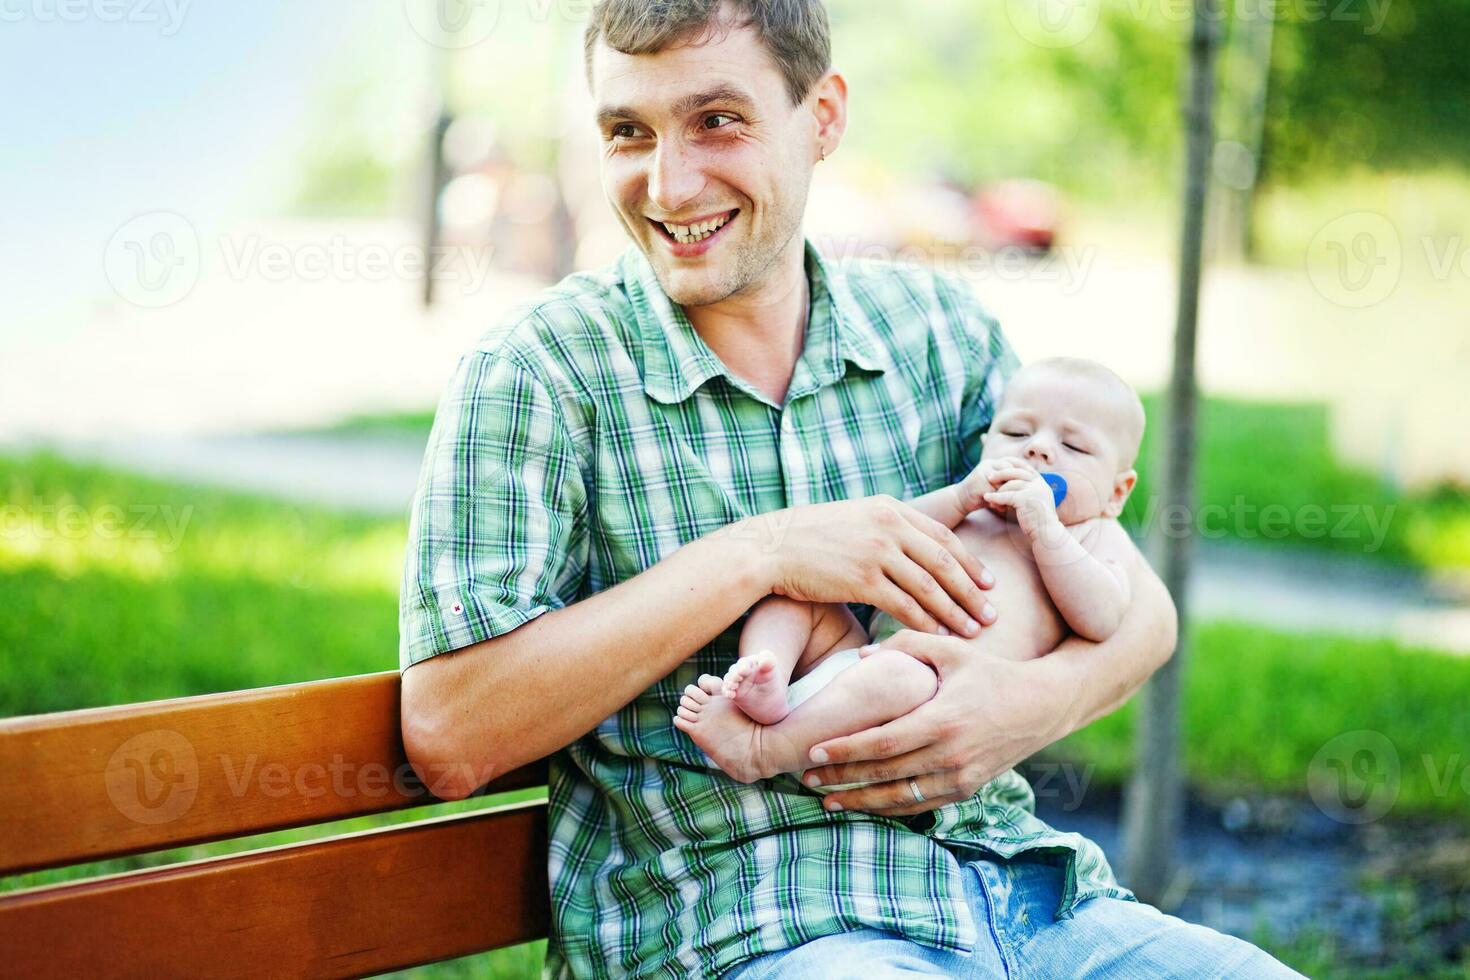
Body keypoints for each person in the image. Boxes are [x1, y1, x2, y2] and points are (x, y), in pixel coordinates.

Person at [397, 1, 1302, 976]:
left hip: (1027, 897)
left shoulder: (935, 329)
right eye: (629, 131)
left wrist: (1031, 703)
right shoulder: (537, 373)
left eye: (717, 120)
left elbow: (1137, 602)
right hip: (752, 928)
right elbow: (450, 731)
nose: (668, 182)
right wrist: (764, 553)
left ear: (822, 115)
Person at [675, 358, 1147, 790]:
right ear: (986, 447)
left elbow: (1102, 617)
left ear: (1117, 492)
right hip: (854, 662)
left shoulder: (1095, 538)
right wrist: (961, 497)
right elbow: (889, 533)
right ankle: (768, 680)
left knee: (902, 675)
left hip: (924, 709)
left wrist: (1048, 533)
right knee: (798, 597)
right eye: (1017, 433)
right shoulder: (972, 508)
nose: (1038, 450)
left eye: (1073, 445)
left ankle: (761, 750)